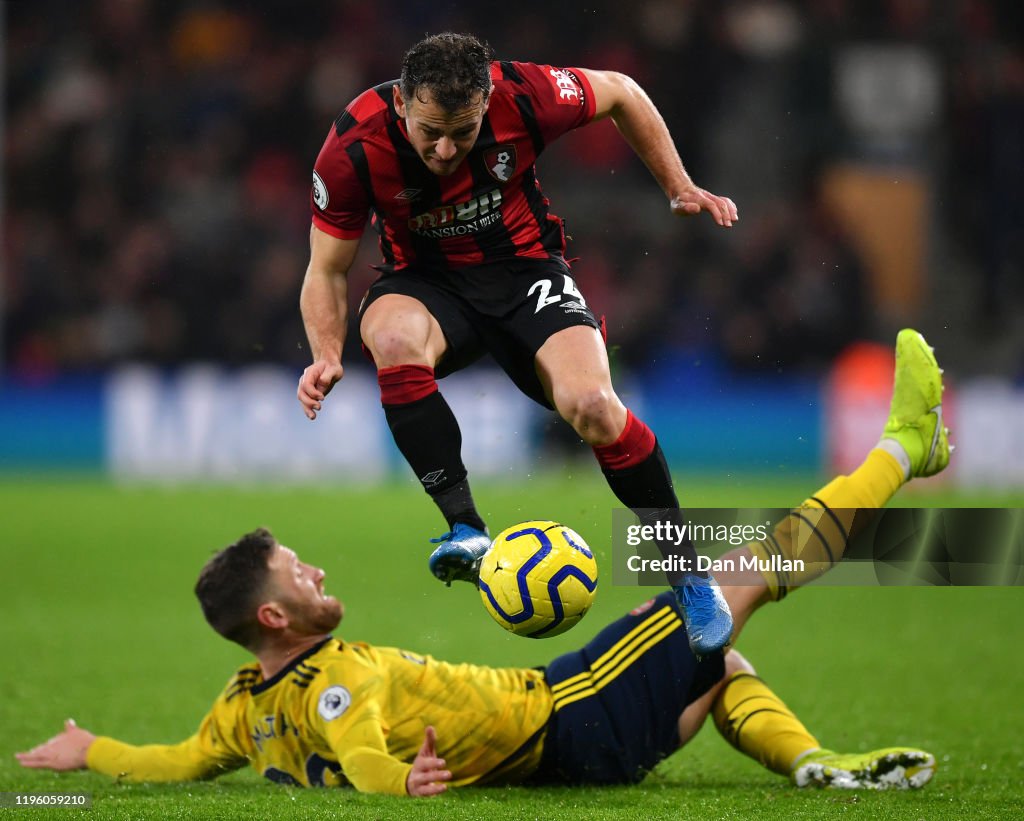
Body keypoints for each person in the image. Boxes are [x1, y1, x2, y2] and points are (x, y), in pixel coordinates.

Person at [19, 330, 949, 795]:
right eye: (300, 576)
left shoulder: (242, 708)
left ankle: (816, 762)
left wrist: (88, 750)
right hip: (570, 712)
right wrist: (402, 783)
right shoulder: (333, 681)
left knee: (724, 662)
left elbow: (176, 760)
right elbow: (359, 746)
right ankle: (905, 448)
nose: (318, 576)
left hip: (571, 721)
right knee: (737, 567)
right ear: (274, 618)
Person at [295, 32, 740, 655]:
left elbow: (623, 91)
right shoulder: (353, 145)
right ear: (402, 105)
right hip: (425, 285)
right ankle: (465, 527)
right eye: (430, 132)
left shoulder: (525, 94)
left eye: (464, 131)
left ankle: (689, 573)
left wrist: (678, 185)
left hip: (526, 272)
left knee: (593, 407)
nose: (446, 150)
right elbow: (327, 269)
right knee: (393, 335)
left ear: (487, 102)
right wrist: (326, 352)